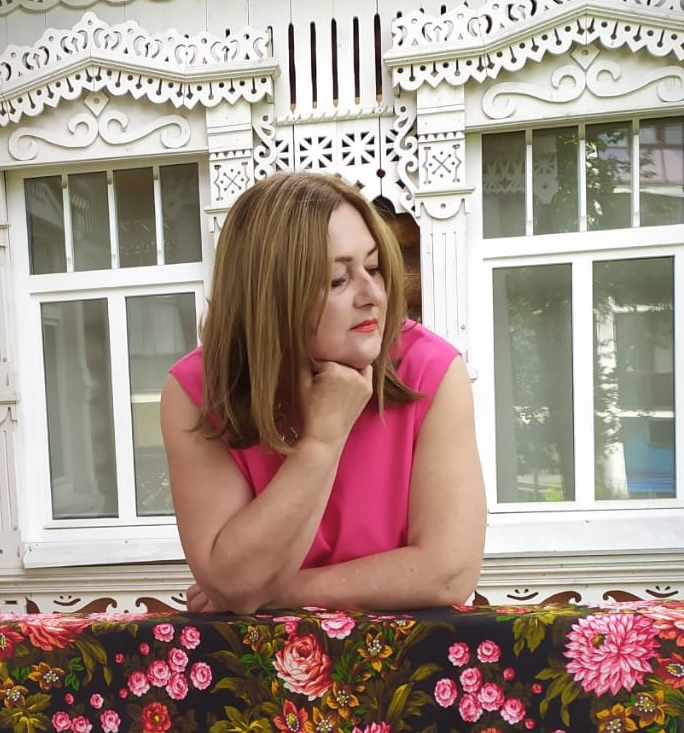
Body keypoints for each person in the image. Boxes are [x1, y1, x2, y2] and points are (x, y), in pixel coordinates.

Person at [160, 171, 485, 614]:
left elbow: (447, 573)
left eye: (373, 267)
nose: (373, 295)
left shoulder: (431, 369)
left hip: (409, 654)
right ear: (270, 296)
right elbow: (233, 578)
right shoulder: (198, 390)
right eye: (337, 280)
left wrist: (276, 592)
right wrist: (321, 442)